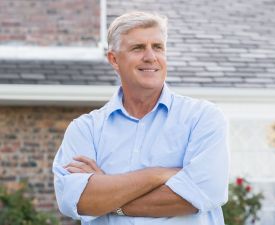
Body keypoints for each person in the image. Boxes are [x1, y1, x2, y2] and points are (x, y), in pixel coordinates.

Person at [52, 11, 229, 225]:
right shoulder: (85, 130)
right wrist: (158, 175)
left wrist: (107, 194)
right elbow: (77, 200)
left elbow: (200, 194)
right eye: (138, 48)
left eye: (158, 47)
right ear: (114, 59)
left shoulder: (203, 118)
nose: (150, 56)